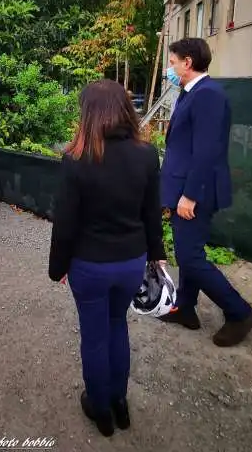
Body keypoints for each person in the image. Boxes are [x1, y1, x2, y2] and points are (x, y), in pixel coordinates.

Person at [48, 80, 165, 438]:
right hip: (131, 262)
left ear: (89, 113)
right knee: (117, 327)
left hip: (90, 266)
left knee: (95, 337)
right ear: (126, 109)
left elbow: (65, 223)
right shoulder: (147, 154)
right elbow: (151, 212)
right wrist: (157, 254)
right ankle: (120, 404)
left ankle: (100, 410)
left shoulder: (76, 158)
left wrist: (59, 268)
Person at [160, 38, 252, 347]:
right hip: (187, 187)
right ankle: (186, 309)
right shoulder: (194, 93)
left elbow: (206, 151)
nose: (171, 68)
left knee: (190, 257)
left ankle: (240, 312)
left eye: (173, 62)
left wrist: (190, 195)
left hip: (195, 192)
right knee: (189, 254)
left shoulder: (208, 96)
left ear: (187, 63)